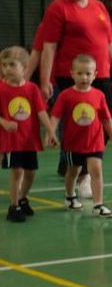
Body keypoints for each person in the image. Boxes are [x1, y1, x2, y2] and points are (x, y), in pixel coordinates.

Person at [36, 0, 112, 103]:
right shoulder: (57, 8)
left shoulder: (99, 6)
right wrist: (45, 81)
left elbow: (109, 44)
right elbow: (49, 47)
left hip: (101, 74)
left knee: (104, 120)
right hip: (72, 76)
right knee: (74, 120)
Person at [49, 54, 112, 216]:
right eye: (80, 73)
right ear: (72, 73)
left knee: (96, 170)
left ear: (95, 75)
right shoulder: (65, 95)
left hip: (95, 142)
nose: (84, 77)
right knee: (73, 171)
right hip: (74, 144)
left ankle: (98, 204)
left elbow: (107, 119)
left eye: (88, 73)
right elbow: (56, 116)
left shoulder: (99, 96)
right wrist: (51, 133)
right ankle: (70, 196)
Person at [1, 46, 56, 222]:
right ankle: (14, 206)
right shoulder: (1, 89)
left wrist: (50, 131)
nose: (6, 68)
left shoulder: (32, 89)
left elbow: (41, 112)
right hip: (11, 140)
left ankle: (23, 198)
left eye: (11, 64)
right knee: (17, 172)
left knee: (30, 172)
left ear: (24, 68)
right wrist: (4, 122)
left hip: (29, 140)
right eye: (4, 65)